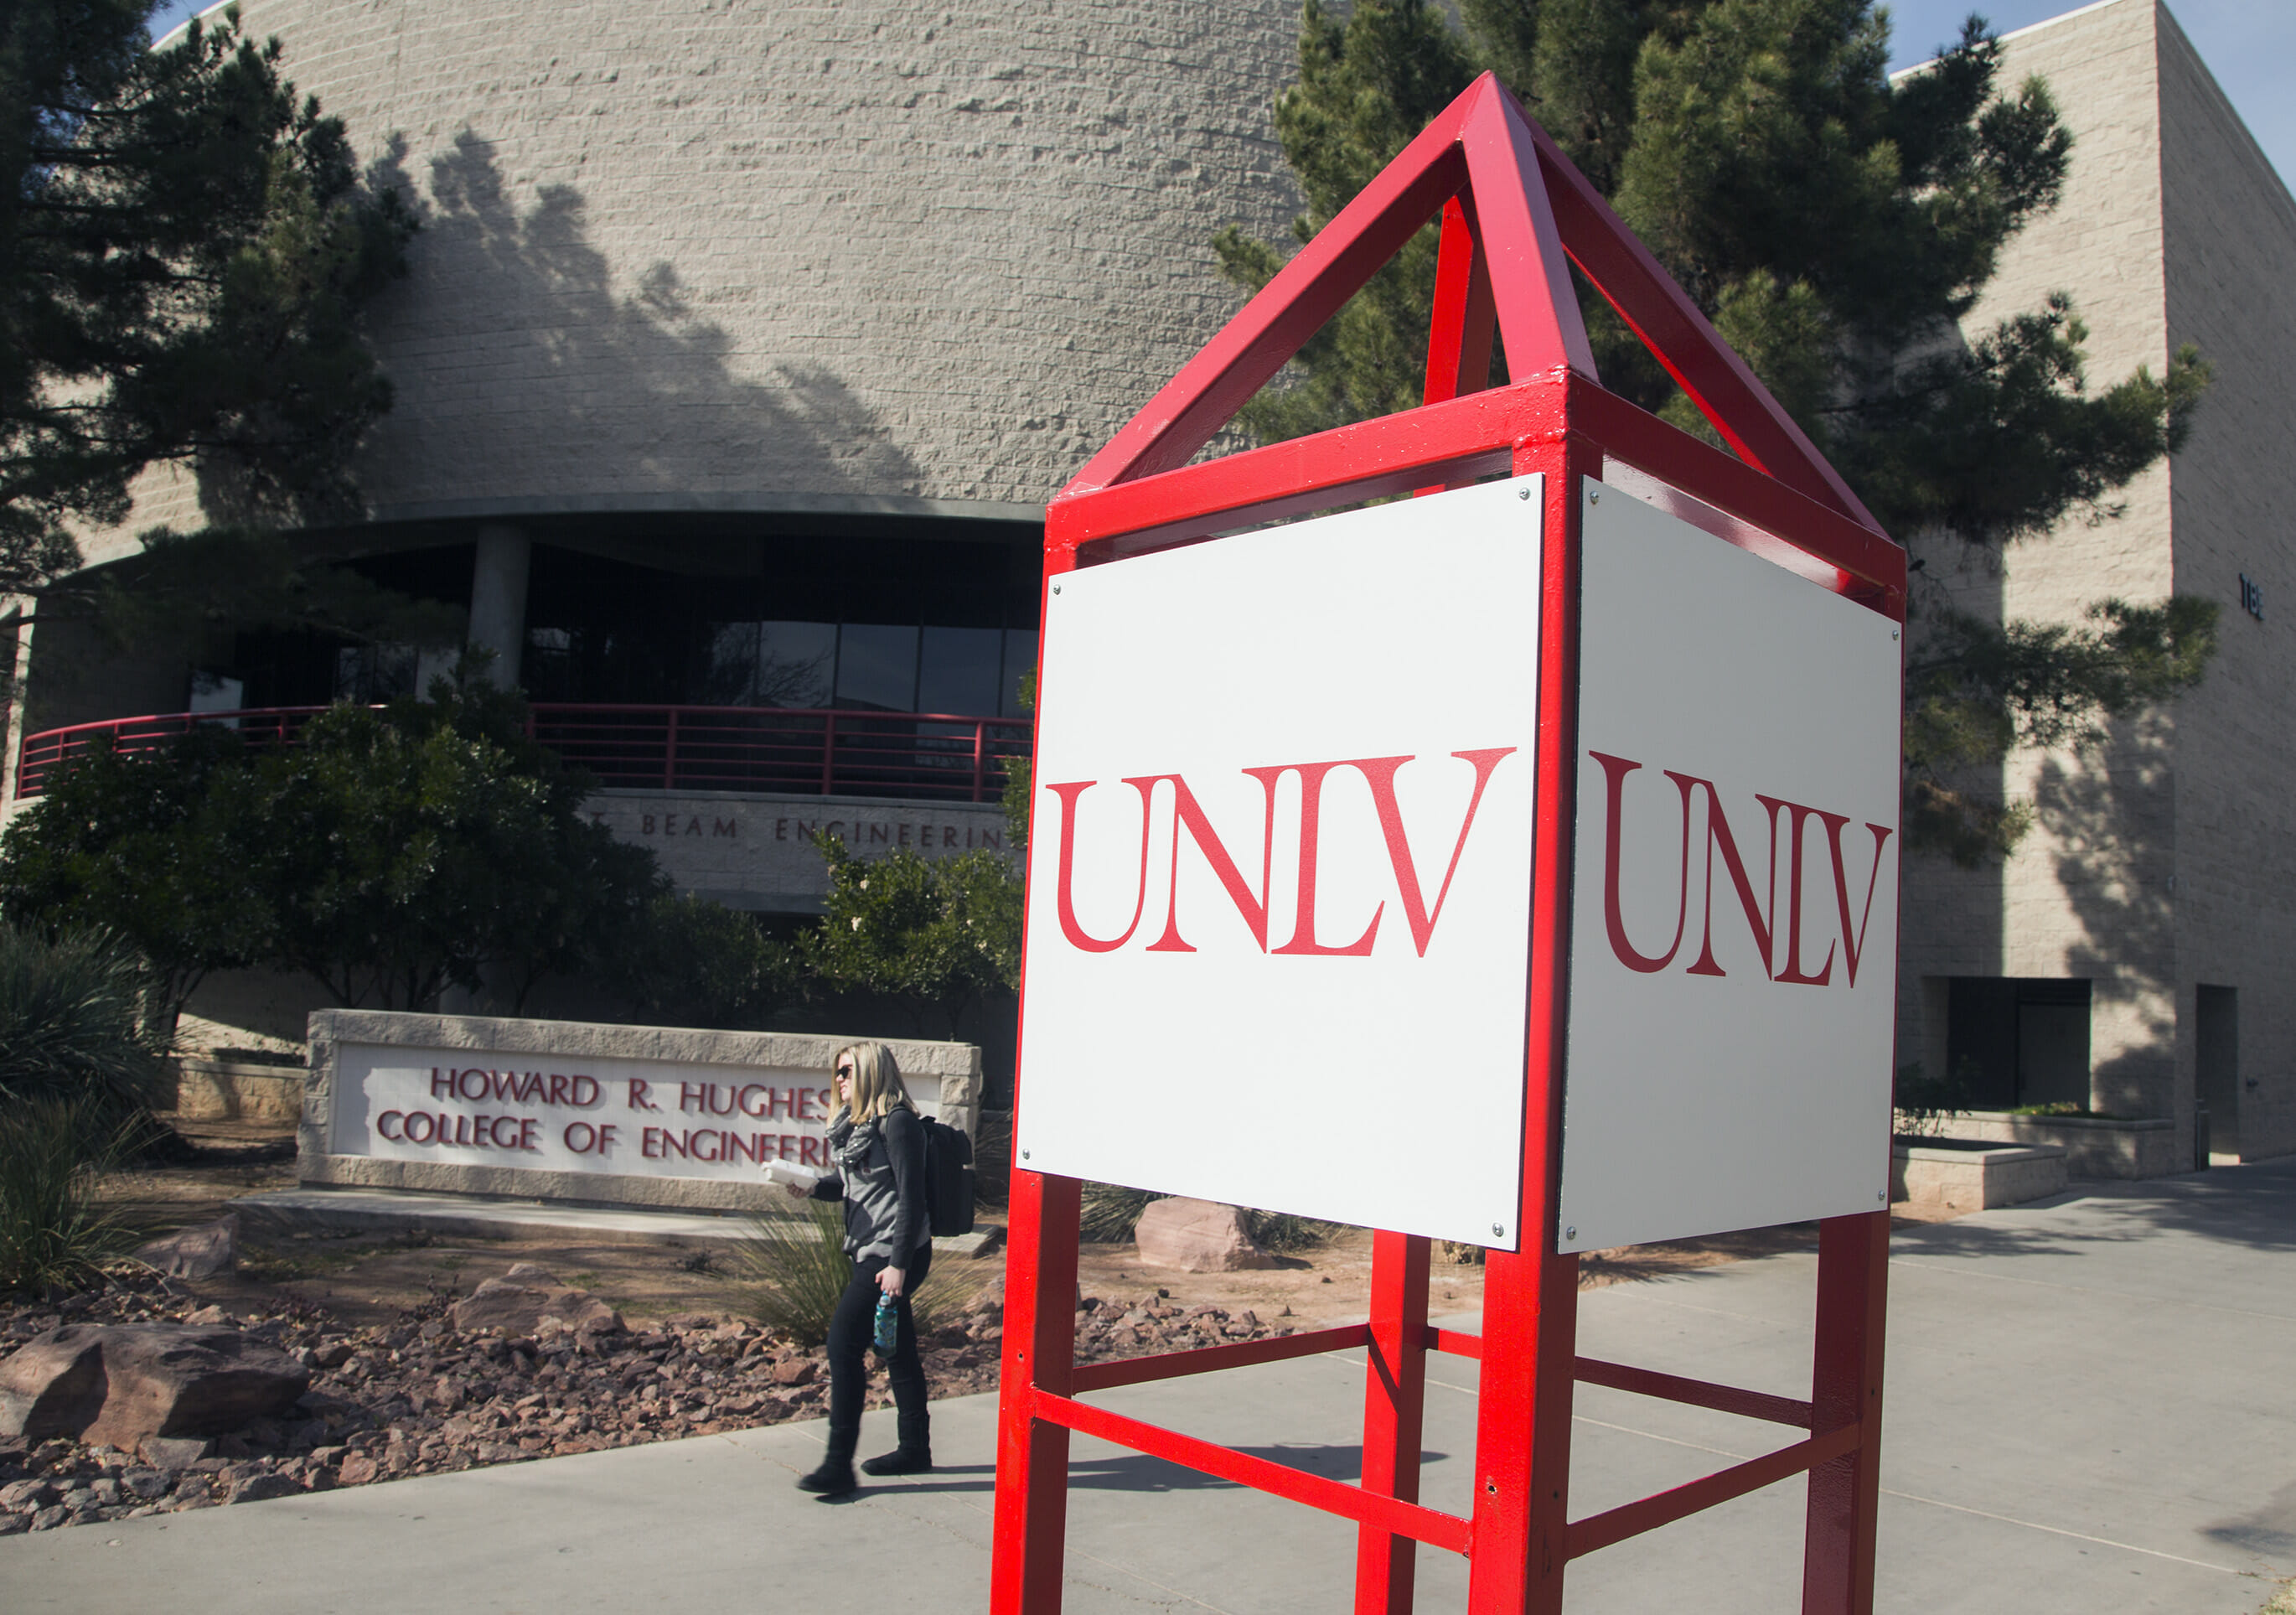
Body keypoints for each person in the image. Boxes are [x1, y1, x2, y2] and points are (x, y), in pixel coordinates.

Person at [786, 1039, 934, 1496]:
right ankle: (915, 1449)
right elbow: (853, 1188)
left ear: (870, 1072)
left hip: (891, 1253)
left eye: (848, 1071)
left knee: (842, 1346)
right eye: (838, 1072)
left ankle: (837, 1465)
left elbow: (912, 1198)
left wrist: (898, 1265)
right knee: (897, 1350)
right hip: (872, 1250)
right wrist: (812, 1188)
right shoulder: (856, 1128)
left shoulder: (898, 1124)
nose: (840, 1080)